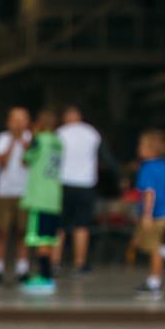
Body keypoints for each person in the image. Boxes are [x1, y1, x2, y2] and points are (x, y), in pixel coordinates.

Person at [20, 108, 64, 294]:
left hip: (39, 195)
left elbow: (26, 159)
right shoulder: (58, 142)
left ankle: (45, 276)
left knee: (40, 239)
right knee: (50, 237)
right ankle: (48, 273)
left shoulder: (40, 140)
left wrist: (29, 143)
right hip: (54, 196)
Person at [56, 103, 103, 276]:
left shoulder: (60, 133)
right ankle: (80, 263)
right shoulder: (92, 133)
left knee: (59, 226)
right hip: (86, 184)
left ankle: (55, 262)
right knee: (82, 225)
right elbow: (103, 154)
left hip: (63, 183)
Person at [130, 130, 165, 300]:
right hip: (164, 212)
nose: (139, 149)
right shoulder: (163, 165)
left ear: (151, 149)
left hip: (154, 214)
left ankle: (154, 283)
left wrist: (146, 214)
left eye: (142, 145)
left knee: (154, 248)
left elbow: (149, 192)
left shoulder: (146, 168)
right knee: (143, 243)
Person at [0, 106, 31, 285]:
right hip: (4, 192)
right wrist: (13, 143)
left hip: (25, 192)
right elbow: (2, 162)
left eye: (22, 119)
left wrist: (25, 147)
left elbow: (29, 162)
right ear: (9, 122)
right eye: (15, 119)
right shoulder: (2, 139)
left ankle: (22, 268)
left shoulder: (31, 139)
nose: (19, 123)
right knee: (2, 231)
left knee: (24, 232)